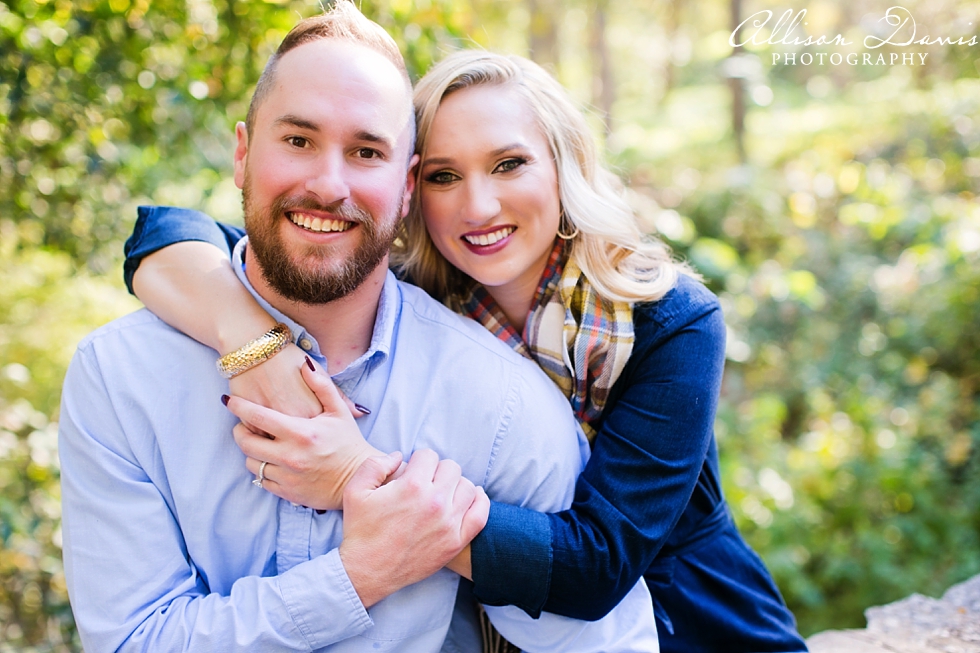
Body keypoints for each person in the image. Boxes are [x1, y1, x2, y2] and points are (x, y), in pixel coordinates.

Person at [123, 46, 807, 653]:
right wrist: (254, 342)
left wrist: (353, 476)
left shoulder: (667, 322)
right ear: (410, 186)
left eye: (509, 164)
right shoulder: (407, 290)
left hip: (690, 625)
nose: (478, 206)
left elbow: (599, 563)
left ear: (563, 168)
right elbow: (169, 234)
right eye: (445, 176)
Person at [58, 5, 661, 653]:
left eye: (367, 151)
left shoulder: (503, 400)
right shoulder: (119, 376)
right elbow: (131, 642)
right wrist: (359, 575)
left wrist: (362, 485)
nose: (327, 184)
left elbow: (605, 639)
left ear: (406, 188)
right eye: (298, 140)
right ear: (242, 154)